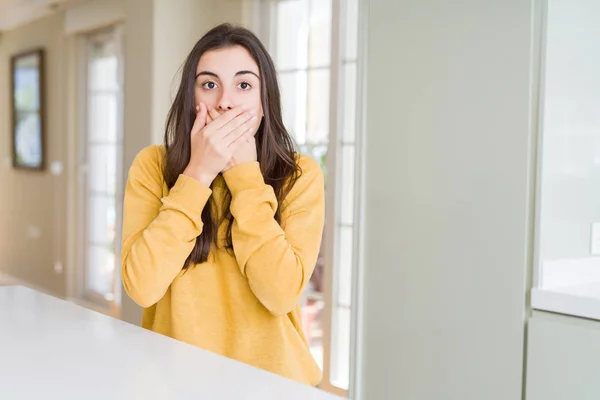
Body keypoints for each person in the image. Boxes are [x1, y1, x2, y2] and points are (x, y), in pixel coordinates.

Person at [120, 23, 325, 387]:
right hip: (176, 383)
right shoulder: (152, 165)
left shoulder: (299, 174)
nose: (225, 102)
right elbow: (141, 287)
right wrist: (197, 174)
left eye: (244, 85)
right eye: (209, 84)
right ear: (191, 96)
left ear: (264, 101)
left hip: (275, 383)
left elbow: (281, 294)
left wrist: (244, 176)